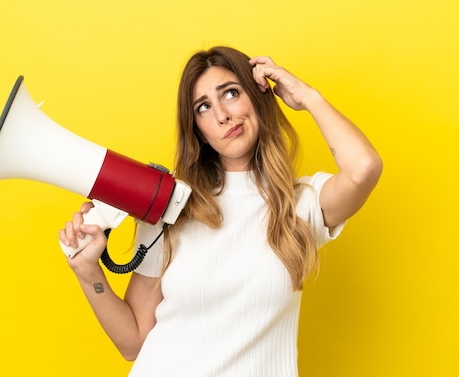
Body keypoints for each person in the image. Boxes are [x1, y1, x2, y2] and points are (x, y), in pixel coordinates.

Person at [59, 46, 382, 376]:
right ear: (198, 131)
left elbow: (364, 168)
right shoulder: (173, 205)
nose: (222, 115)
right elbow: (133, 342)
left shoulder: (301, 204)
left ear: (257, 97)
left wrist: (308, 98)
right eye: (203, 108)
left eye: (230, 93)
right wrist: (88, 273)